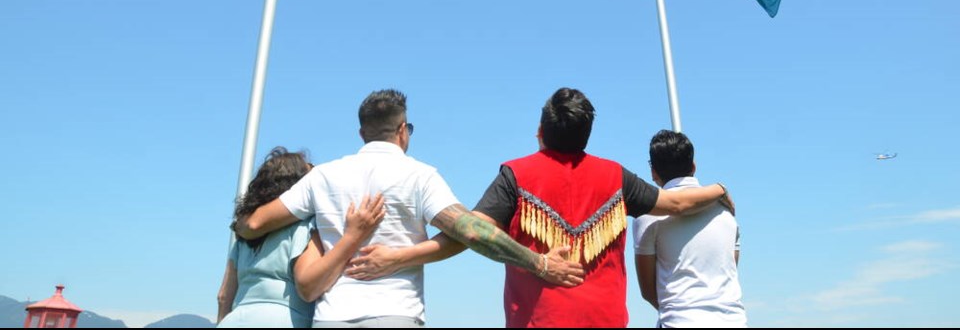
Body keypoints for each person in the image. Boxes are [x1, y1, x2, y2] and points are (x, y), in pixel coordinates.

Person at [345, 87, 735, 328]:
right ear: (585, 135)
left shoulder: (516, 174)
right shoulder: (616, 178)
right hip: (607, 321)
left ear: (541, 131)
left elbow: (469, 232)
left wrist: (399, 257)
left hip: (536, 321)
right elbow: (677, 202)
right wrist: (719, 189)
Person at [233, 89, 585, 328]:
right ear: (403, 130)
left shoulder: (323, 176)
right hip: (396, 314)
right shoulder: (419, 176)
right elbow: (472, 232)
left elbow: (251, 224)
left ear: (362, 133)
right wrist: (539, 263)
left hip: (332, 316)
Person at [217, 147, 385, 328]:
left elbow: (223, 296)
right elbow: (310, 284)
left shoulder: (243, 237)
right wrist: (353, 237)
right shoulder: (304, 228)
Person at [633, 130, 747, 328]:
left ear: (653, 171)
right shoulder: (726, 212)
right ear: (693, 166)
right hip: (733, 321)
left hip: (679, 321)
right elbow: (729, 267)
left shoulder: (647, 217)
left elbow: (648, 291)